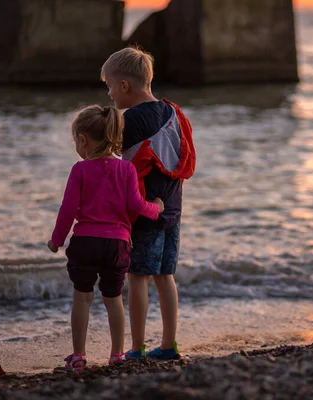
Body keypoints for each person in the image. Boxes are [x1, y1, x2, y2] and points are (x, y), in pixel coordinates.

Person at [47, 105, 164, 371]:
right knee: (113, 300)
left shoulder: (80, 170)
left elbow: (68, 210)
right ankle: (117, 354)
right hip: (117, 245)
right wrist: (156, 209)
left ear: (83, 140)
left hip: (85, 243)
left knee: (82, 298)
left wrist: (57, 240)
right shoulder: (126, 170)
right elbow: (136, 206)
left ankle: (78, 355)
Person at [100, 47, 196, 360]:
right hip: (173, 208)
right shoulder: (173, 112)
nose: (111, 94)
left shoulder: (132, 120)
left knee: (137, 276)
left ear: (125, 86)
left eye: (110, 86)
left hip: (146, 211)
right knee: (165, 275)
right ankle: (169, 345)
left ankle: (137, 348)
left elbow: (121, 165)